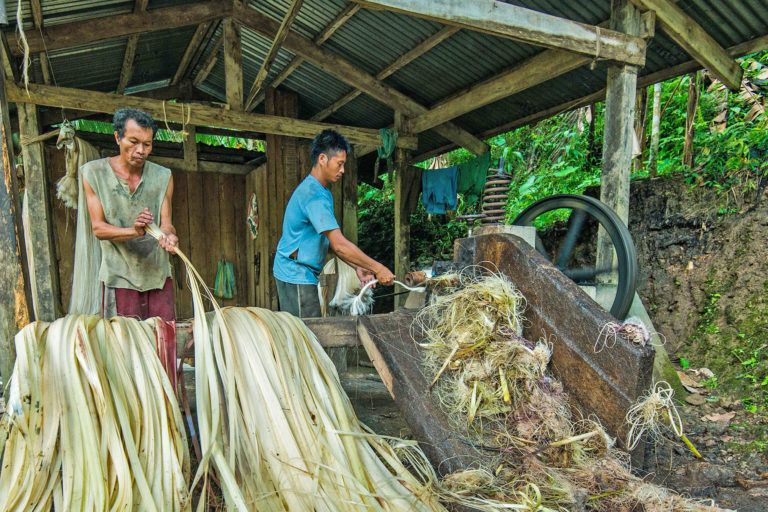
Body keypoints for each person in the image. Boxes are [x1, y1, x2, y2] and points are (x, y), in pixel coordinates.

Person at [81, 108, 178, 383]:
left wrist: (170, 237)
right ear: (117, 138)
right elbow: (98, 228)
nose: (141, 150)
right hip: (119, 277)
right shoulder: (93, 174)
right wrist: (133, 231)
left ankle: (166, 406)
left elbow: (166, 222)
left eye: (147, 144)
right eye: (133, 142)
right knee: (122, 350)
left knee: (164, 348)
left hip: (158, 276)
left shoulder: (163, 176)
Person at [274, 129, 395, 318]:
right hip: (294, 273)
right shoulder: (313, 194)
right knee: (308, 337)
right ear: (322, 159)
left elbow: (330, 243)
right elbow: (339, 245)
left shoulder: (323, 193)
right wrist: (378, 268)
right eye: (340, 164)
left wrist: (358, 267)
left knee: (308, 337)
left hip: (301, 273)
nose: (342, 170)